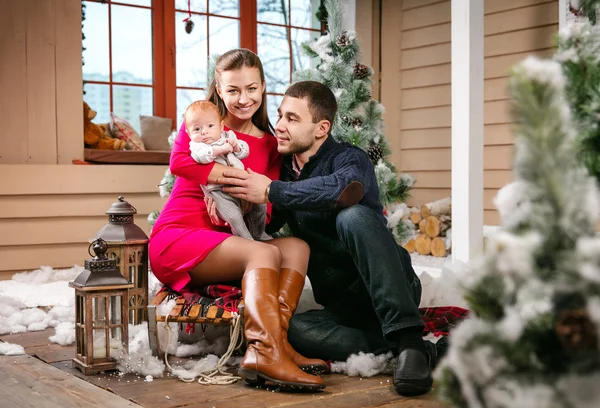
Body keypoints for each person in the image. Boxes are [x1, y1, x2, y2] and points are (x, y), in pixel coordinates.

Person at [216, 80, 435, 396]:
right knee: (291, 331)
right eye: (280, 116)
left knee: (354, 215)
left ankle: (409, 339)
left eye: (292, 119)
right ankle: (411, 349)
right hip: (342, 307)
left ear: (321, 128)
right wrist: (231, 198)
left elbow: (343, 190)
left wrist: (271, 191)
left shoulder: (349, 158)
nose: (279, 126)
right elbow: (266, 224)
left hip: (390, 288)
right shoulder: (286, 172)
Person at [148, 49, 327, 391]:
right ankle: (263, 352)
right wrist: (224, 179)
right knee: (263, 253)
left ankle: (278, 343)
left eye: (251, 89)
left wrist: (244, 199)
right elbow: (179, 164)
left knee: (296, 248)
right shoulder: (203, 122)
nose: (243, 99)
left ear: (263, 88)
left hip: (232, 237)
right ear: (219, 88)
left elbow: (269, 211)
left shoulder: (272, 146)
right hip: (179, 236)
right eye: (232, 90)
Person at [185, 100, 270, 241]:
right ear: (188, 133)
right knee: (233, 215)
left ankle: (258, 234)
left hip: (240, 185)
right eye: (197, 129)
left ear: (221, 126)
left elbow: (243, 152)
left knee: (259, 204)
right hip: (218, 192)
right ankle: (246, 239)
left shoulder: (227, 136)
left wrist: (237, 147)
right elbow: (201, 158)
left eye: (210, 126)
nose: (204, 132)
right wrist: (220, 149)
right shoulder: (197, 146)